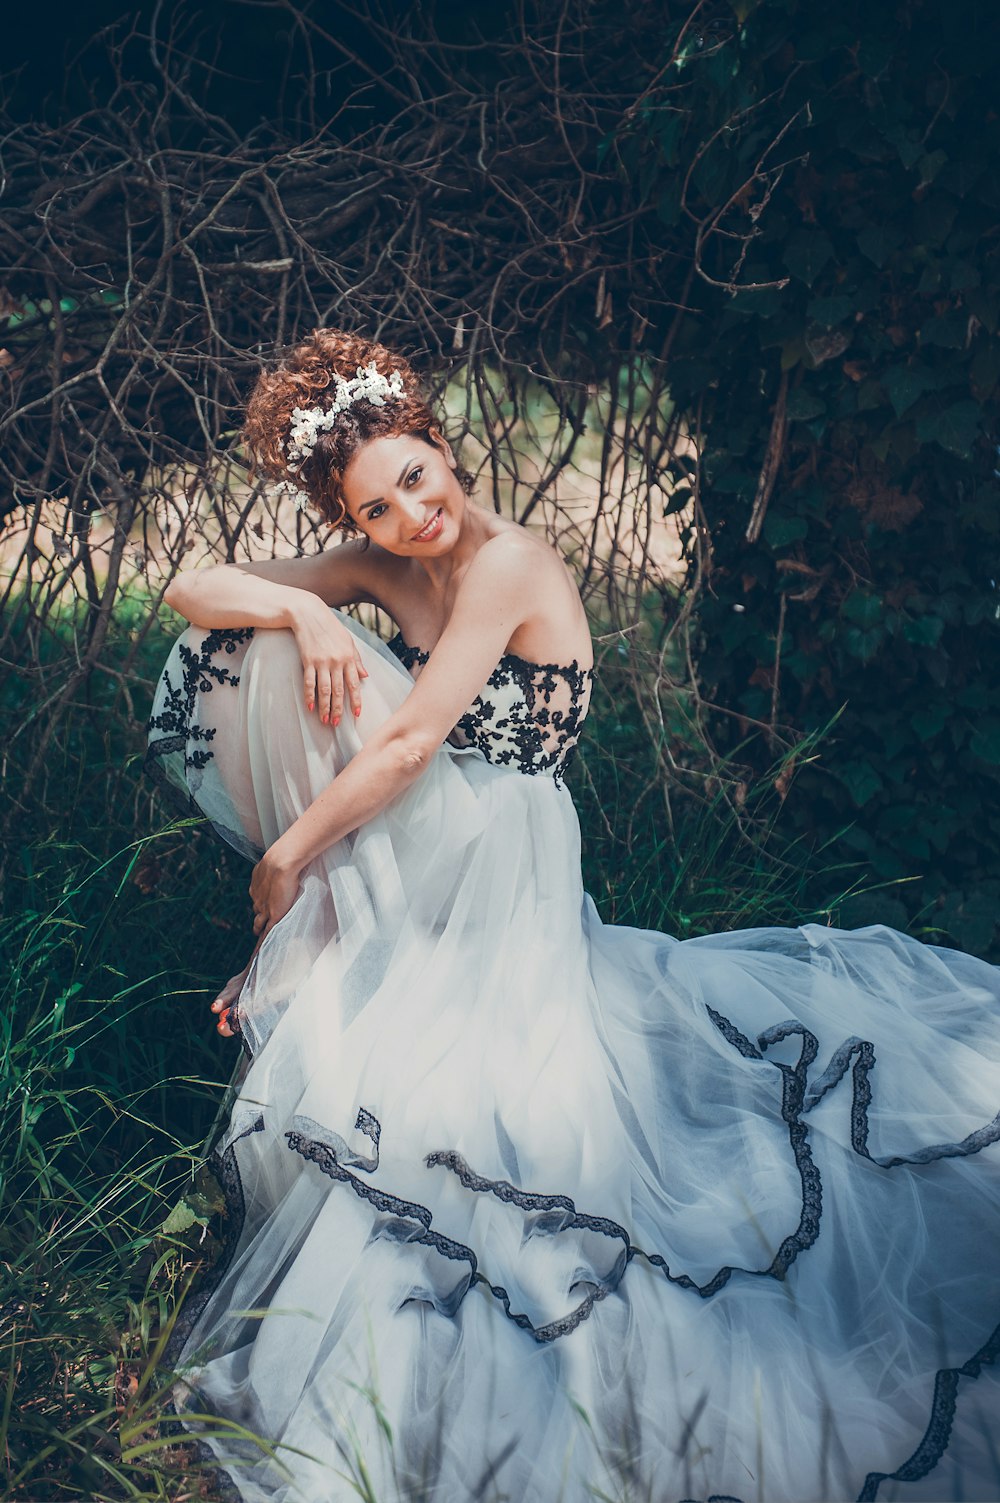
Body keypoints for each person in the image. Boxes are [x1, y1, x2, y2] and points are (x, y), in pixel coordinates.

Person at [147, 329, 1000, 1503]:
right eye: (377, 509)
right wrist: (312, 616)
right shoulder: (379, 565)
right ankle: (324, 976)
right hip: (419, 838)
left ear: (441, 445)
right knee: (236, 645)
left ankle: (320, 962)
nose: (408, 515)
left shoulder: (508, 565)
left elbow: (403, 743)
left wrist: (284, 861)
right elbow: (188, 589)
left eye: (414, 476)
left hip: (502, 852)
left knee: (471, 1101)